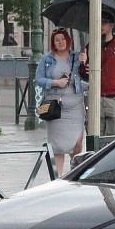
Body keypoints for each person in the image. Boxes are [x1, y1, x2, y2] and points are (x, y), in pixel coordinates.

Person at [35, 29, 87, 173]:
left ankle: (75, 170)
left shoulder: (76, 57)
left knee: (77, 142)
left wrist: (84, 62)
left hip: (75, 106)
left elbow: (86, 75)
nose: (60, 42)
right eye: (57, 40)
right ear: (53, 43)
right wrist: (55, 82)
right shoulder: (47, 59)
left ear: (68, 41)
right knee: (58, 146)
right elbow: (38, 79)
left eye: (63, 39)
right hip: (55, 107)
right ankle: (58, 176)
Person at [79, 9, 115, 136]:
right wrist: (82, 65)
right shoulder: (90, 46)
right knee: (95, 136)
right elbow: (84, 75)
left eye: (104, 22)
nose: (101, 25)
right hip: (95, 98)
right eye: (98, 22)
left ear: (112, 25)